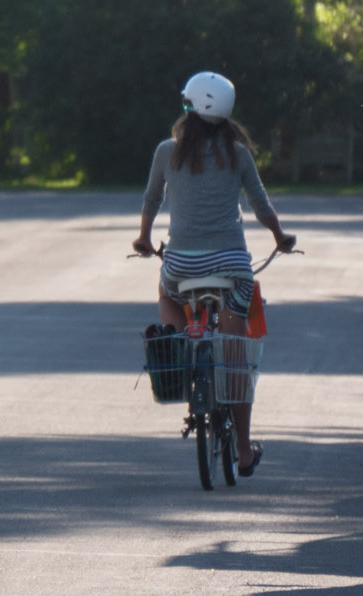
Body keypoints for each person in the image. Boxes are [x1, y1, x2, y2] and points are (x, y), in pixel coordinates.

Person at [132, 71, 296, 471]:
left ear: (187, 108)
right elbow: (261, 207)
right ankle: (242, 449)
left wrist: (143, 238)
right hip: (232, 267)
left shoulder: (165, 151)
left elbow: (152, 199)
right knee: (235, 356)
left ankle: (180, 343)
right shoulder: (238, 154)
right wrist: (280, 236)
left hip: (182, 264)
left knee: (168, 294)